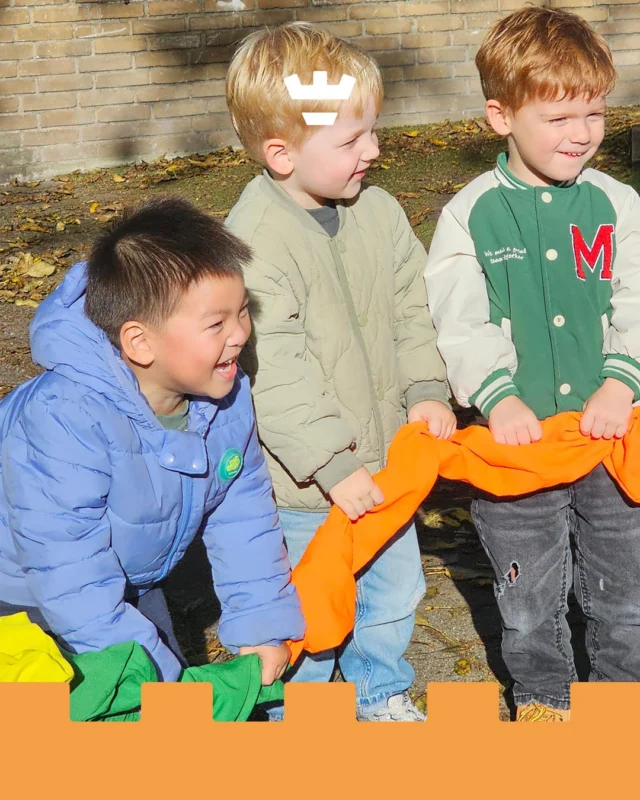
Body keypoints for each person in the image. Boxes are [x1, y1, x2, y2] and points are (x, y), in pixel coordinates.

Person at [225, 22, 455, 722]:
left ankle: (381, 694)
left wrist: (425, 391)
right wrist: (329, 461)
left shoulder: (380, 213)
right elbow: (274, 369)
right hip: (303, 486)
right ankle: (301, 713)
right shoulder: (256, 240)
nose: (374, 152)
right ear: (281, 154)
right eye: (351, 141)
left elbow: (414, 311)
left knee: (391, 591)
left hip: (385, 463)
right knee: (313, 604)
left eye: (373, 133)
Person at [424, 6, 640, 721]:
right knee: (527, 599)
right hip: (518, 452)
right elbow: (460, 318)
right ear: (500, 116)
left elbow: (635, 299)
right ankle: (546, 701)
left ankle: (619, 706)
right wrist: (499, 396)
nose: (581, 134)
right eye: (558, 117)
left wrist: (622, 377)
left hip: (608, 442)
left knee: (625, 592)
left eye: (595, 114)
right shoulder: (470, 214)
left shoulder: (619, 205)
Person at [0, 196, 305, 684]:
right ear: (140, 342)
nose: (240, 335)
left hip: (124, 582)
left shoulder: (225, 397)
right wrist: (162, 684)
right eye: (216, 324)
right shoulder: (64, 417)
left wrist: (262, 625)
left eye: (242, 312)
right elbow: (71, 573)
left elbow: (243, 515)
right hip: (23, 594)